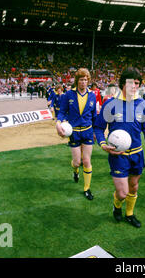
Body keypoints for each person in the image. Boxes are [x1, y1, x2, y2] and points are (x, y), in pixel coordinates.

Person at [94, 67, 145, 228]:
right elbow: (99, 128)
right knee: (122, 193)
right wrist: (102, 144)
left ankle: (129, 214)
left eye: (137, 83)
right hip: (118, 155)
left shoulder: (141, 103)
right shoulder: (110, 104)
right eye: (131, 82)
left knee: (134, 186)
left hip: (137, 154)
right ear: (123, 83)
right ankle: (117, 205)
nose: (135, 86)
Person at [56, 68, 97, 200]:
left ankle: (87, 188)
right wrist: (58, 123)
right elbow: (62, 111)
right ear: (77, 81)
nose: (84, 82)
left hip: (88, 131)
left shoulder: (92, 95)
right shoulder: (68, 95)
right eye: (81, 79)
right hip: (74, 133)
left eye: (86, 80)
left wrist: (96, 131)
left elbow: (94, 115)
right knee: (77, 162)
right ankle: (75, 171)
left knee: (86, 161)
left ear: (88, 81)